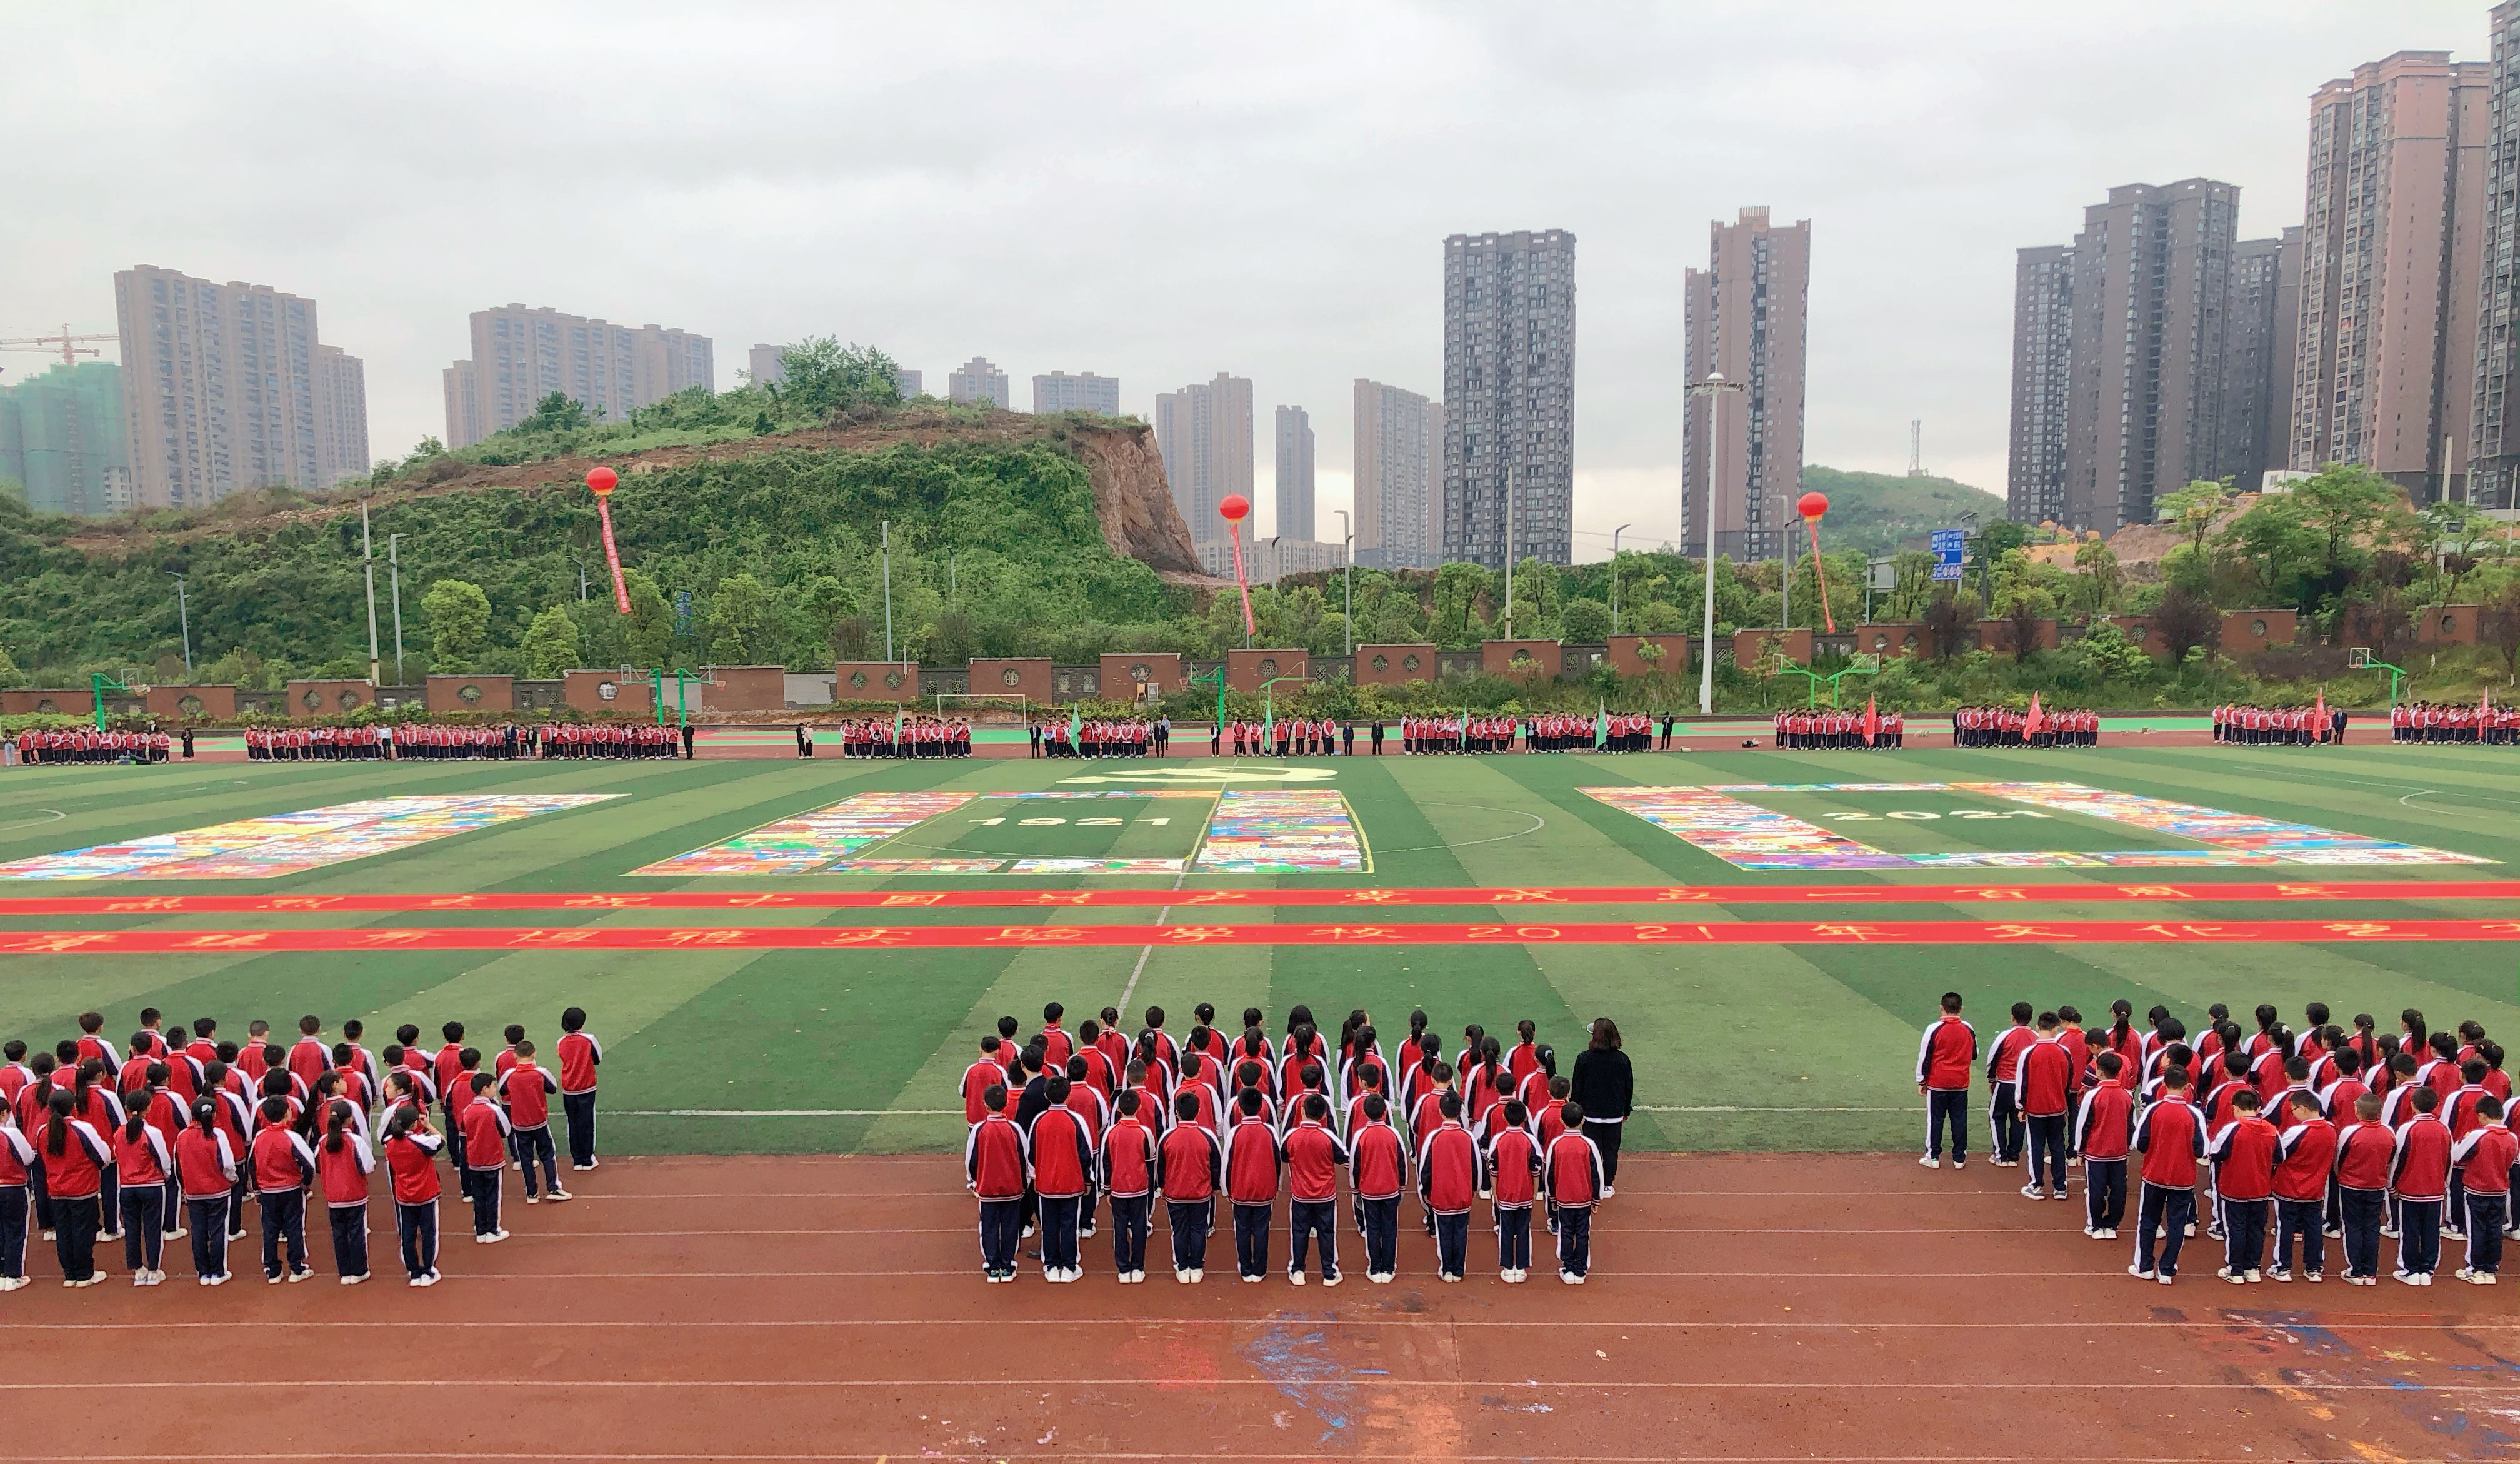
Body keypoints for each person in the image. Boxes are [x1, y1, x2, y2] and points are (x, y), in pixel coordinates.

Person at [2129, 1066, 2204, 1285]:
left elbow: (2140, 1143)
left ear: (2164, 1084)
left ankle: (2145, 1267)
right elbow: (2201, 1149)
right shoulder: (2194, 1114)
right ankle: (2167, 1270)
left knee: (2148, 1220)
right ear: (2187, 1087)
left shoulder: (2154, 1110)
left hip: (2154, 1175)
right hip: (2183, 1179)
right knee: (2177, 1224)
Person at [42, 1089, 112, 1286]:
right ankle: (84, 1273)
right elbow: (104, 1156)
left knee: (64, 1232)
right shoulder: (82, 1128)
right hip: (83, 1189)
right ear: (73, 1106)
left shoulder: (43, 1131)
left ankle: (70, 1274)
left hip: (56, 1190)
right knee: (83, 1231)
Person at [1028, 1075, 1093, 1283]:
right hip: (1071, 1184)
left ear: (1046, 1096)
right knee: (1069, 1225)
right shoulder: (1076, 1120)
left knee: (1049, 1225)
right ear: (1069, 1095)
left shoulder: (1039, 1121)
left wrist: (1036, 1176)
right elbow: (1086, 1154)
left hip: (1046, 1184)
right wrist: (1088, 1180)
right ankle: (1069, 1267)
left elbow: (1031, 1154)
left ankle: (1052, 1266)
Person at [2209, 1090, 2279, 1283]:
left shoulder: (2233, 1129)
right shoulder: (2271, 1130)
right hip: (2261, 1189)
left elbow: (2215, 1153)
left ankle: (2236, 1270)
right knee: (2257, 1230)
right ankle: (2253, 1268)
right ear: (2258, 1109)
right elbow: (2280, 1156)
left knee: (2235, 1229)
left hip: (2234, 1189)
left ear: (2235, 1108)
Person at [2269, 1091, 2336, 1283]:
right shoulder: (2331, 1130)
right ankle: (2314, 1268)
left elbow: (2279, 1155)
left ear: (2303, 1108)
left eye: (2294, 1110)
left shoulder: (2296, 1132)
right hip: (2315, 1189)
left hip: (2289, 1187)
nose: (2293, 1114)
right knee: (2314, 1227)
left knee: (2285, 1227)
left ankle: (2283, 1267)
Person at [248, 1095, 316, 1283]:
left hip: (268, 1191)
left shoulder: (259, 1137)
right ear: (287, 1113)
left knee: (270, 1229)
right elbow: (309, 1164)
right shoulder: (292, 1137)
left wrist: (257, 1189)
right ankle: (297, 1267)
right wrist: (306, 1184)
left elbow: (252, 1164)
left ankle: (273, 1270)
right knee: (295, 1228)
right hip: (291, 1189)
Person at [1417, 1091, 1482, 1283]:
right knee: (1461, 1232)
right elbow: (1477, 1167)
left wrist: (1425, 1191)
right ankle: (1459, 1270)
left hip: (1441, 1195)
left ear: (1440, 1112)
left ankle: (1447, 1269)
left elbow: (1425, 1168)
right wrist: (1474, 1189)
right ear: (1460, 1112)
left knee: (1444, 1232)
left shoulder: (1434, 1137)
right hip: (1463, 1194)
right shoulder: (1468, 1137)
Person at [966, 1085, 1028, 1283]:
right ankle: (1007, 1266)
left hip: (987, 1189)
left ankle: (993, 1267)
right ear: (1006, 1104)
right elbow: (1024, 1159)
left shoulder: (979, 1130)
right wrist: (1024, 1184)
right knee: (1011, 1227)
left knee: (989, 1227)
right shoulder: (1015, 1129)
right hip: (1012, 1189)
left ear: (985, 1105)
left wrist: (976, 1181)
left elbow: (971, 1161)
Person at [173, 1098, 238, 1286]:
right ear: (214, 1114)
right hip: (218, 1190)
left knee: (198, 1231)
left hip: (194, 1191)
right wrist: (233, 1179)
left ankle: (203, 1273)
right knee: (219, 1230)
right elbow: (227, 1164)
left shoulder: (182, 1136)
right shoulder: (218, 1135)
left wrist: (185, 1187)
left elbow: (178, 1165)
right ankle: (218, 1272)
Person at [1282, 1094, 1346, 1287]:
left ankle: (1298, 1271)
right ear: (1324, 1114)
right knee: (1327, 1233)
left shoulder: (1292, 1136)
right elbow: (1344, 1157)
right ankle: (1329, 1273)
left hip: (1301, 1195)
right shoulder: (1328, 1137)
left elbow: (1283, 1155)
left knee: (1299, 1232)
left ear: (1302, 1111)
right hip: (1326, 1195)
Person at [2393, 1086, 2453, 1285]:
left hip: (2410, 1190)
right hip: (2435, 1190)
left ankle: (2410, 1270)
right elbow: (2449, 1160)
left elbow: (2398, 1160)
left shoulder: (2407, 1129)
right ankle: (2427, 1270)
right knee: (2431, 1230)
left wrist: (2392, 1185)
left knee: (2409, 1230)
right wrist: (2444, 1184)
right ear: (2436, 1105)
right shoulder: (2444, 1129)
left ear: (2413, 1106)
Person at [1159, 1091, 1221, 1283]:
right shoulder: (1208, 1137)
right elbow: (1216, 1165)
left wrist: (1161, 1186)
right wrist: (1216, 1186)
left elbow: (1161, 1166)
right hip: (1201, 1194)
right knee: (1198, 1229)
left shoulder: (1168, 1137)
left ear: (1177, 1113)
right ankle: (1196, 1267)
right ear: (1199, 1111)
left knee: (1179, 1230)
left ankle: (1182, 1267)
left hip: (1175, 1193)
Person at [111, 1095, 172, 1286]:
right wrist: (166, 1175)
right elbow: (164, 1159)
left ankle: (138, 1271)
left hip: (128, 1187)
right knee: (153, 1228)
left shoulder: (119, 1133)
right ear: (148, 1108)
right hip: (151, 1185)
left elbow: (117, 1154)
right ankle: (154, 1270)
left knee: (132, 1229)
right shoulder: (152, 1133)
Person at [2452, 1096, 2514, 1284]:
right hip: (2500, 1191)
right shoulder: (2512, 1138)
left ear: (2482, 1115)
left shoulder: (2478, 1135)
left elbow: (2457, 1156)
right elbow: (2510, 1162)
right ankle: (2490, 1269)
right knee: (2495, 1230)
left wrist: (2463, 1140)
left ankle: (2475, 1269)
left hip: (2477, 1190)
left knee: (2477, 1229)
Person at [1543, 1100, 1607, 1283]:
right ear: (1583, 1121)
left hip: (1563, 1199)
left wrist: (1552, 1198)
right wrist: (1596, 1199)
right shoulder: (1589, 1144)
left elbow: (1550, 1174)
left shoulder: (1556, 1144)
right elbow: (1597, 1173)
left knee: (1566, 1232)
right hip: (1584, 1198)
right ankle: (1580, 1270)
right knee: (1582, 1233)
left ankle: (1568, 1267)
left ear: (1562, 1121)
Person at [382, 1104, 444, 1287]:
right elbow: (440, 1140)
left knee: (408, 1234)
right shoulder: (421, 1142)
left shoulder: (389, 1143)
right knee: (429, 1233)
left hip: (404, 1194)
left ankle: (413, 1271)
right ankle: (428, 1269)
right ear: (414, 1123)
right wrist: (428, 1125)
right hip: (426, 1193)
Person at [1099, 1090, 1158, 1284]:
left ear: (1119, 1110)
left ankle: (1124, 1269)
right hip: (1140, 1188)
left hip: (1118, 1189)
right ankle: (1138, 1267)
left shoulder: (1111, 1133)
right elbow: (1151, 1161)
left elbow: (1105, 1163)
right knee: (1140, 1227)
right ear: (1139, 1108)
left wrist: (1107, 1189)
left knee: (1120, 1227)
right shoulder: (1145, 1133)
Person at [2015, 1013, 2076, 1202]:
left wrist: (2021, 1107)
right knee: (2058, 1147)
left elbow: (2022, 1083)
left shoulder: (2028, 1053)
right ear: (2056, 1028)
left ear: (2038, 1026)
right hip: (2058, 1108)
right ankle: (2060, 1187)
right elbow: (2069, 1080)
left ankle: (2036, 1186)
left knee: (2036, 1147)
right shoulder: (2064, 1052)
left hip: (2036, 1109)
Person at [2334, 1093, 2393, 1286]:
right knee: (2372, 1227)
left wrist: (2342, 1176)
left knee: (2353, 1226)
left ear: (2357, 1111)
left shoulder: (2350, 1132)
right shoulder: (2389, 1133)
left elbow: (2339, 1158)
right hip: (2376, 1186)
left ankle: (2356, 1271)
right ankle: (2370, 1272)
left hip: (2351, 1185)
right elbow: (2391, 1158)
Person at [1224, 1087, 1282, 1283]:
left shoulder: (1235, 1133)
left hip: (1240, 1191)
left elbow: (1227, 1162)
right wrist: (1277, 1187)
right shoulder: (1270, 1131)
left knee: (1242, 1229)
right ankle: (1259, 1269)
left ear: (1239, 1109)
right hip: (1264, 1191)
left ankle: (1246, 1268)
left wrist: (1226, 1189)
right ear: (1261, 1107)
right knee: (1261, 1230)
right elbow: (1277, 1161)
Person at [1348, 1093, 1408, 1284]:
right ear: (1385, 1112)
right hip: (1391, 1190)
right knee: (1390, 1228)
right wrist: (1402, 1187)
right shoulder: (1394, 1134)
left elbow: (1355, 1166)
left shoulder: (1360, 1136)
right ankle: (1388, 1268)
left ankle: (1375, 1269)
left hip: (1369, 1192)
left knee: (1372, 1229)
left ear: (1365, 1113)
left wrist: (1355, 1190)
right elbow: (1402, 1163)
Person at [500, 1040, 569, 1204]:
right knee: (548, 1154)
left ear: (515, 1056)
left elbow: (503, 1091)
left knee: (526, 1158)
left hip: (520, 1124)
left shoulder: (509, 1075)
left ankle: (532, 1193)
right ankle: (553, 1188)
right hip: (539, 1122)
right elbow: (552, 1088)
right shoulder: (541, 1072)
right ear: (534, 1054)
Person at [1569, 1018, 1632, 1196]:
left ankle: (1594, 1182)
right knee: (1611, 1150)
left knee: (1593, 1149)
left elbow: (1578, 1087)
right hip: (1614, 1113)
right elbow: (1628, 1088)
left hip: (1590, 1114)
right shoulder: (1623, 1059)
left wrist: (1576, 1109)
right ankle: (1607, 1185)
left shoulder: (1584, 1058)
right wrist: (1626, 1110)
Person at [314, 1100, 374, 1285]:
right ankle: (359, 1270)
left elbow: (318, 1166)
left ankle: (345, 1271)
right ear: (350, 1120)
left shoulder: (323, 1141)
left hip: (333, 1196)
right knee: (357, 1232)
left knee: (339, 1234)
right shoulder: (355, 1141)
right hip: (355, 1194)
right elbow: (368, 1167)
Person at [2076, 1052, 2134, 1240]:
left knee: (2097, 1190)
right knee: (2119, 1190)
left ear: (2099, 1071)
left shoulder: (2093, 1096)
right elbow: (2131, 1125)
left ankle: (2095, 1226)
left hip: (2096, 1152)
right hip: (2119, 1152)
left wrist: (2079, 1151)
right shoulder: (2127, 1096)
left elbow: (2084, 1125)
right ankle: (2112, 1225)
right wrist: (2128, 1148)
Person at [1917, 992, 1977, 1170]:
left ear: (1941, 1008)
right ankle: (1959, 1158)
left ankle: (1933, 1157)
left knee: (1935, 1119)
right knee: (1960, 1119)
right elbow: (1975, 1054)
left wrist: (1922, 1080)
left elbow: (1925, 1056)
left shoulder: (1934, 1029)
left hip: (1938, 1083)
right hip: (1960, 1083)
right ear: (1961, 1009)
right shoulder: (1968, 1028)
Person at [1488, 1098, 1541, 1282]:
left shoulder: (1498, 1140)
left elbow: (1493, 1169)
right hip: (1525, 1193)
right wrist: (1535, 1192)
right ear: (1525, 1118)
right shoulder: (1530, 1140)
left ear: (1504, 1117)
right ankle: (1521, 1268)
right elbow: (1536, 1168)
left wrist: (1495, 1192)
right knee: (1524, 1230)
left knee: (1506, 1230)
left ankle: (1508, 1267)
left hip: (1504, 1194)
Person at [459, 1071, 512, 1245]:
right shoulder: (493, 1109)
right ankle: (493, 1230)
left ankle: (481, 1229)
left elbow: (463, 1129)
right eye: (493, 1087)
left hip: (474, 1159)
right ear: (485, 1089)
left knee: (479, 1195)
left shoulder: (467, 1110)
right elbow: (506, 1130)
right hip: (492, 1159)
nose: (495, 1089)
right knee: (493, 1195)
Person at [556, 1006, 602, 1172]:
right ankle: (588, 1158)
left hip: (569, 1088)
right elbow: (598, 1058)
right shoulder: (589, 1039)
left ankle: (577, 1160)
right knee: (587, 1123)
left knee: (573, 1122)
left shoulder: (561, 1042)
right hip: (586, 1087)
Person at [0, 1108, 34, 1291]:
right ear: (4, 1113)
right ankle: (13, 1276)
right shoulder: (11, 1134)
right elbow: (28, 1158)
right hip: (13, 1187)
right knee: (15, 1230)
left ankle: (1, 1273)